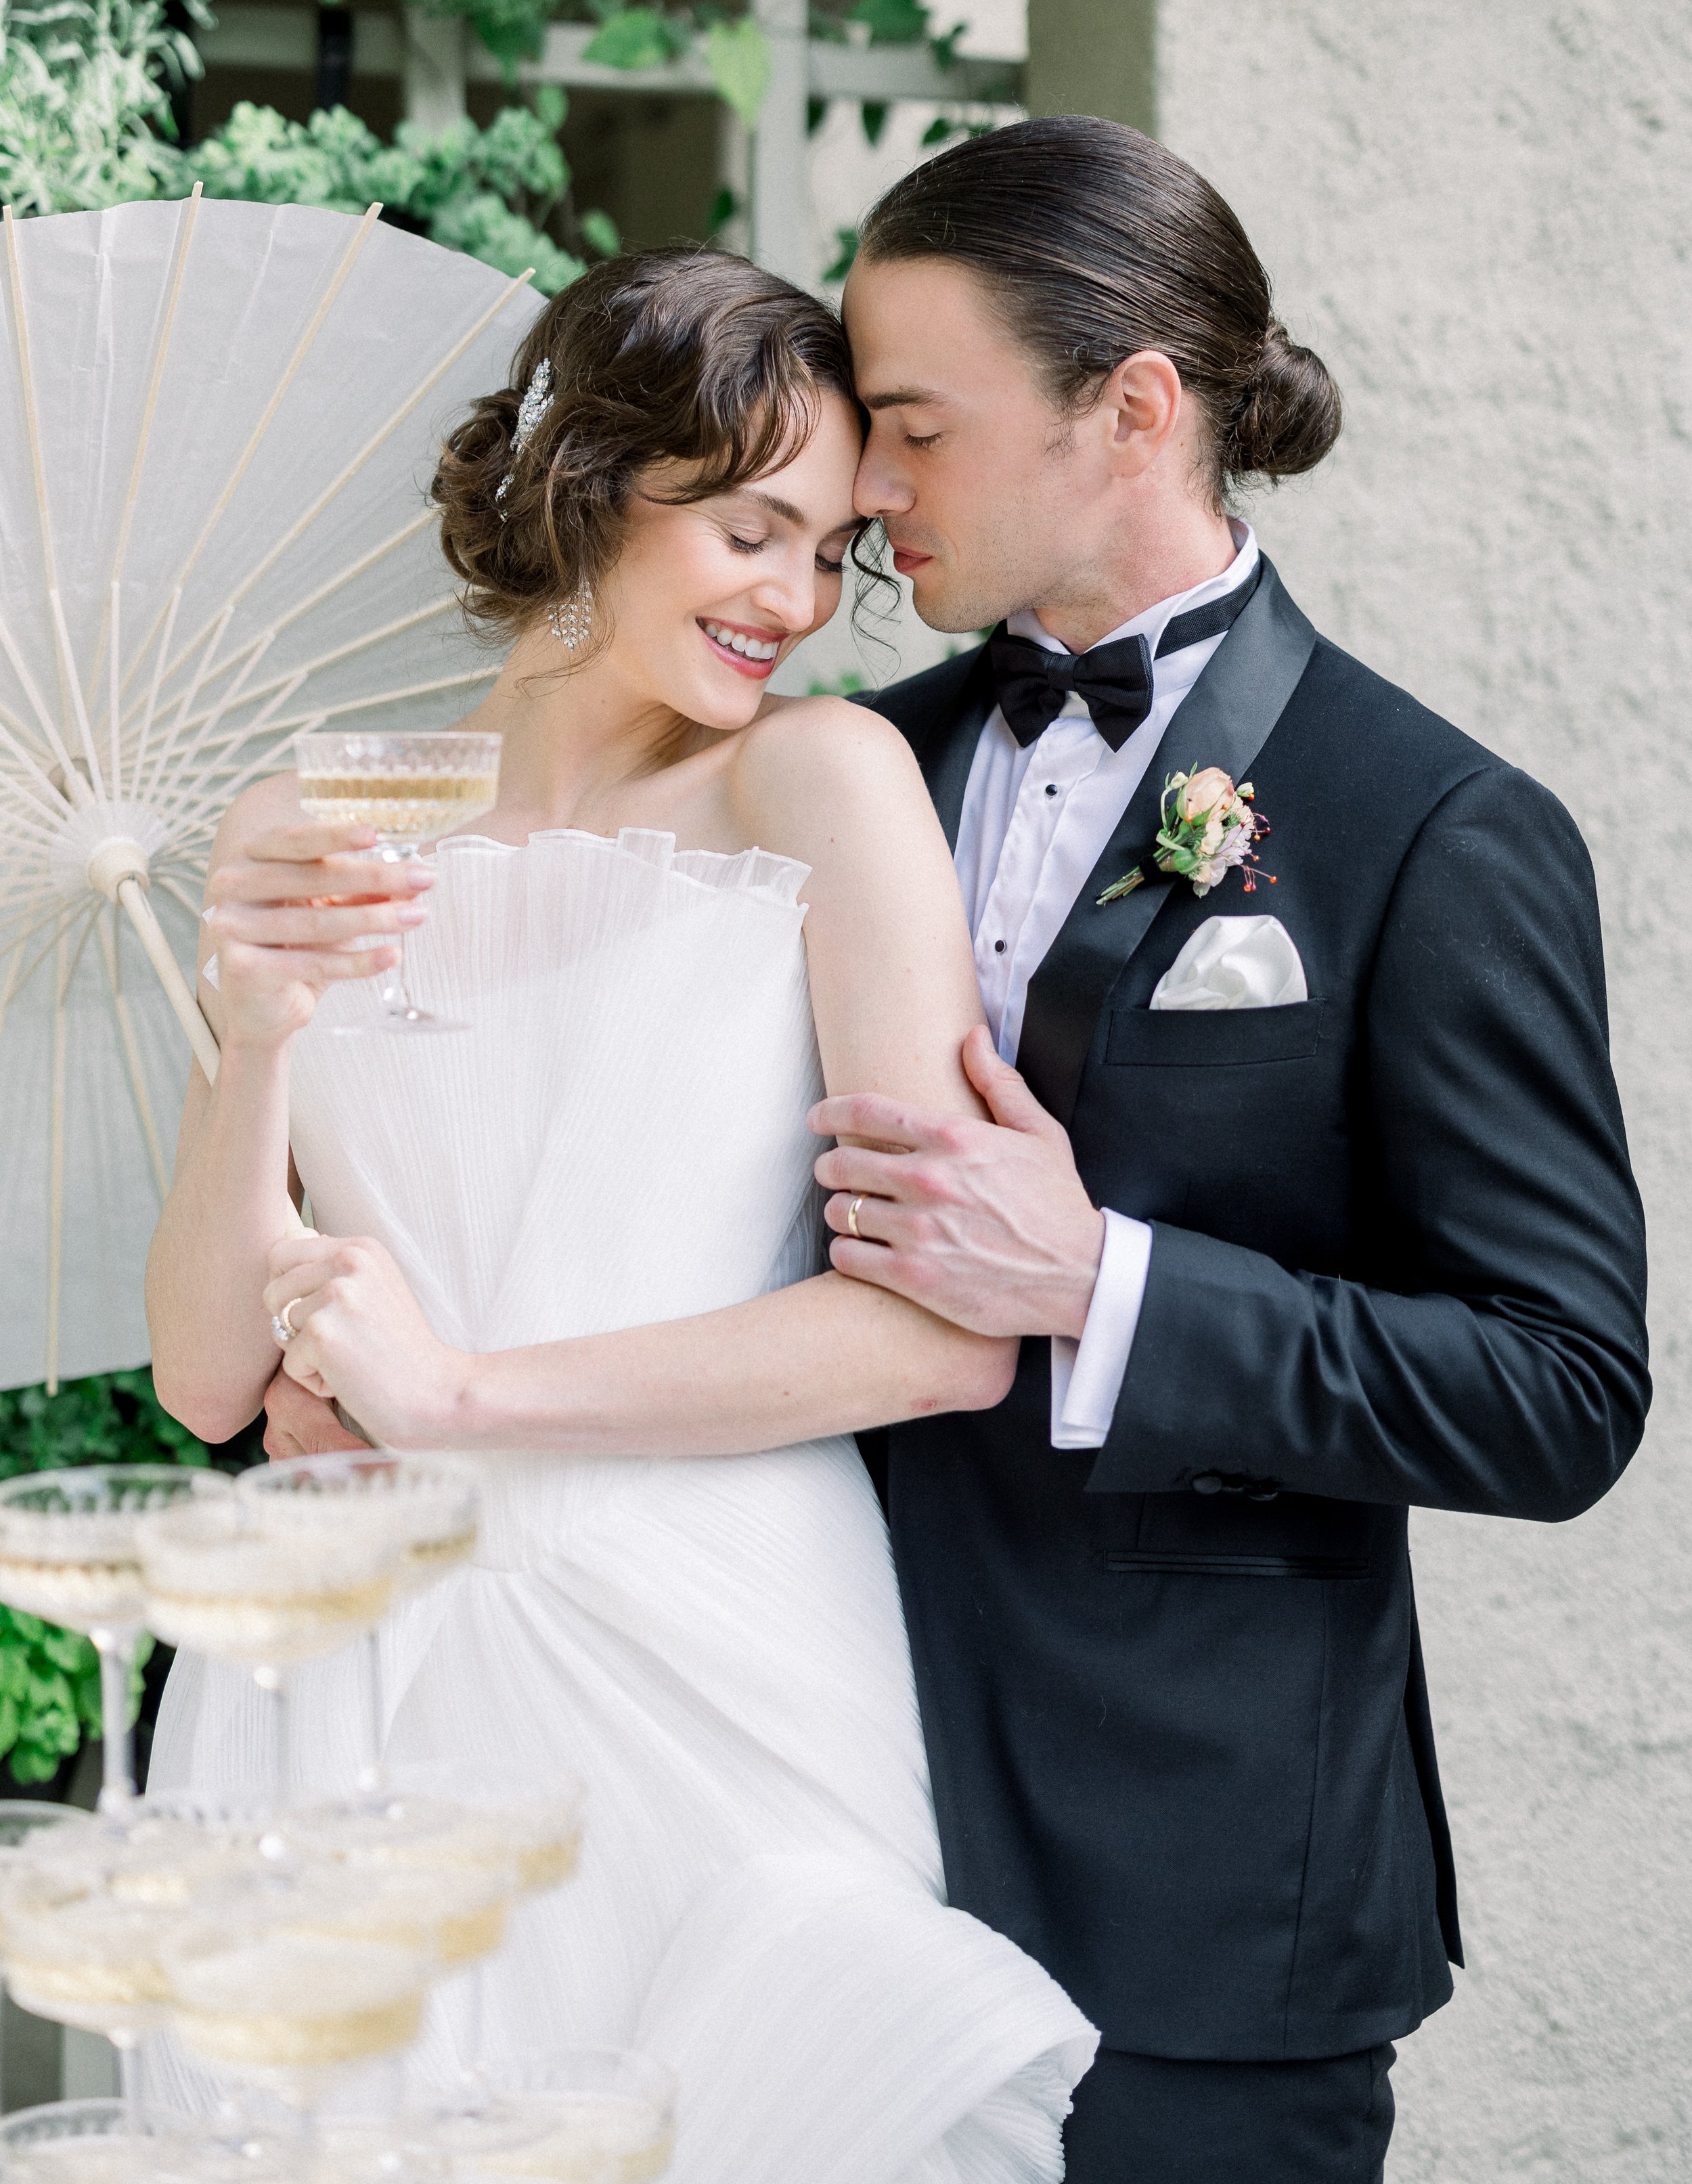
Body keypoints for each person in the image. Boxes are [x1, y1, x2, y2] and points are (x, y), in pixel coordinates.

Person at [240, 122, 1649, 2184]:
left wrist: (1103, 1287)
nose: (865, 502)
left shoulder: (1428, 825)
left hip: (1186, 1888)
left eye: (907, 430)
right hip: (761, 1792)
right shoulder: (819, 760)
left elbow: (1557, 1390)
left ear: (1132, 411)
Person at [145, 248, 1098, 2184]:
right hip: (346, 1667)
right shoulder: (327, 823)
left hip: (713, 1648)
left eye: (830, 550)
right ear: (588, 481)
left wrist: (459, 1394)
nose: (795, 602)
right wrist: (252, 1034)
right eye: (750, 529)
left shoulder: (815, 786)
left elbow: (931, 1333)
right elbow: (202, 1371)